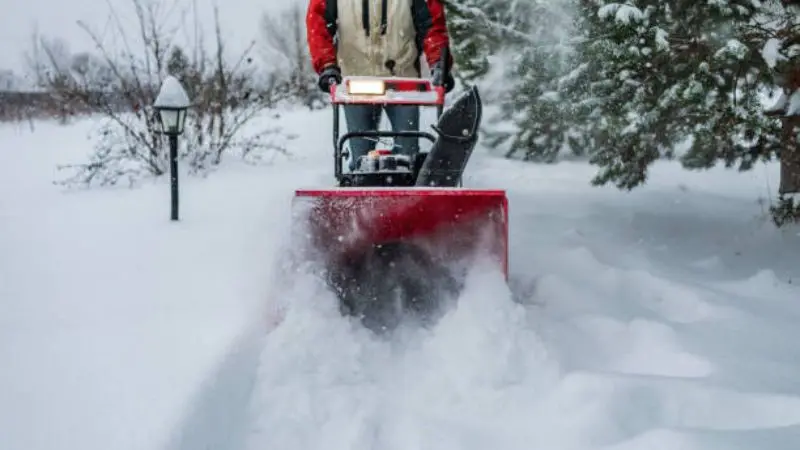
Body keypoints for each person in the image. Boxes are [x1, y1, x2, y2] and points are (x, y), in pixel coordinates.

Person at [306, 0, 455, 171]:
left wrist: (439, 63)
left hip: (403, 80)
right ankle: (360, 185)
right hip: (355, 80)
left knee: (407, 154)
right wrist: (327, 65)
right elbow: (318, 25)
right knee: (361, 154)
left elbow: (432, 25)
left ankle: (408, 182)